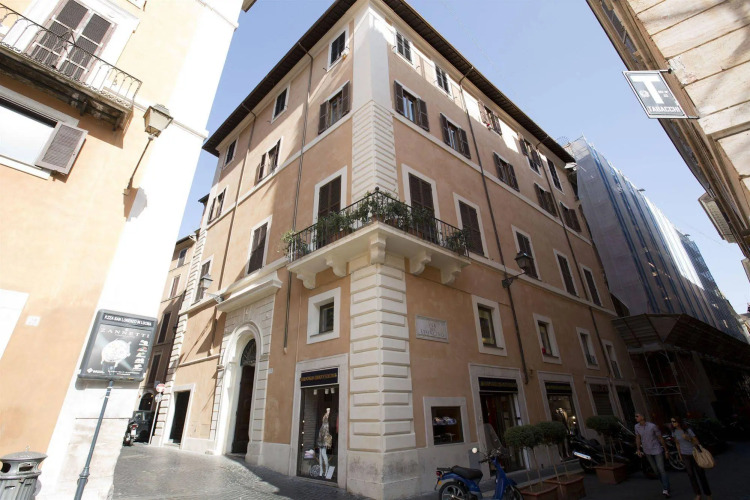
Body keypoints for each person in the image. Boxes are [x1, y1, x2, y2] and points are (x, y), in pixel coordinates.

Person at [671, 416, 712, 500]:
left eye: (674, 421)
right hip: (685, 455)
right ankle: (698, 494)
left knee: (701, 474)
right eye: (672, 422)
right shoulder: (674, 432)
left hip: (694, 453)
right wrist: (679, 454)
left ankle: (708, 494)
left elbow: (697, 441)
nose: (673, 423)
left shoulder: (687, 430)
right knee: (691, 475)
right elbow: (677, 443)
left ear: (678, 421)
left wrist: (688, 438)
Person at [635, 412, 671, 497]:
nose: (635, 418)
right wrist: (638, 449)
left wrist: (666, 450)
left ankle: (666, 488)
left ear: (642, 417)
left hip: (656, 449)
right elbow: (638, 438)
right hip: (647, 451)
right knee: (656, 470)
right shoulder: (636, 426)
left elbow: (660, 438)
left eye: (637, 416)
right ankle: (665, 485)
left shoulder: (652, 426)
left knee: (661, 469)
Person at [317, 408, 332, 477]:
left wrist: (328, 411)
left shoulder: (326, 425)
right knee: (320, 455)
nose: (323, 418)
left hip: (324, 441)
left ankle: (326, 470)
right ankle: (321, 471)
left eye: (324, 417)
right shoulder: (322, 426)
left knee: (323, 454)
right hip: (320, 441)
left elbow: (326, 433)